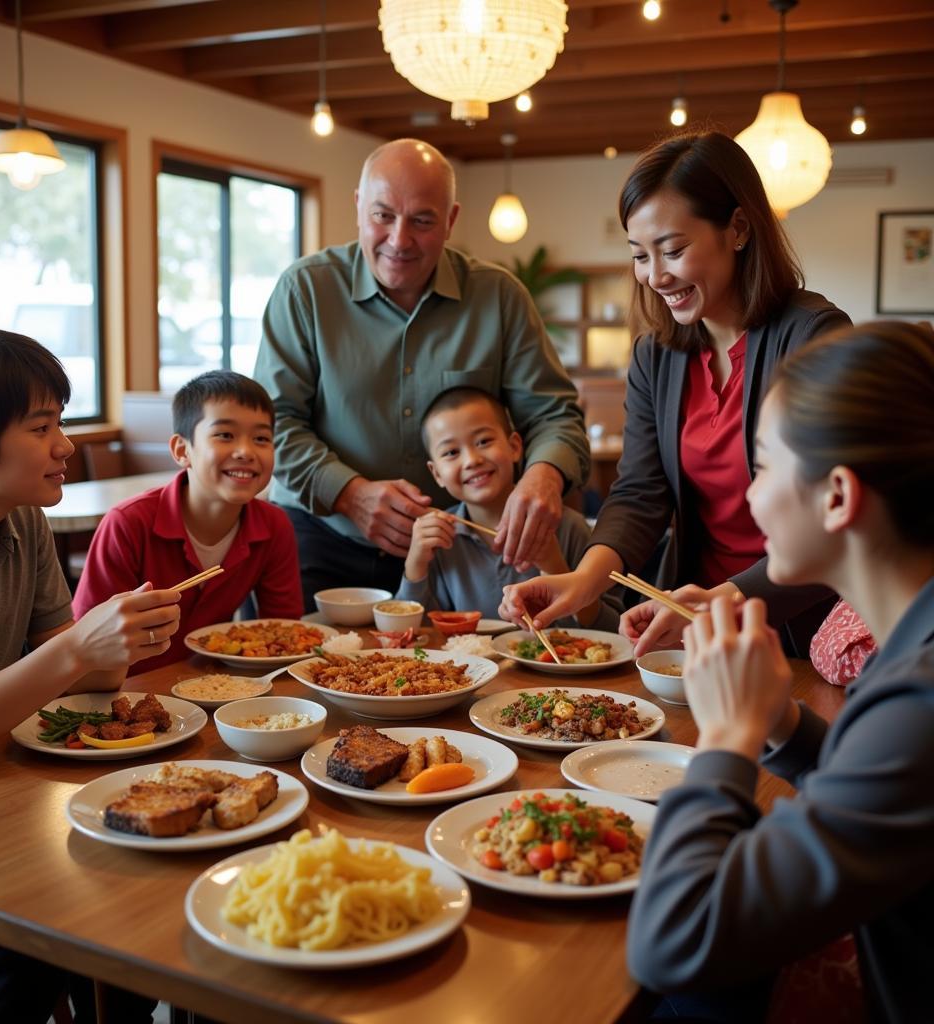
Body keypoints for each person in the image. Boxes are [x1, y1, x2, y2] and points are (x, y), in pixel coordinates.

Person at [626, 321, 934, 1023]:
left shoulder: (918, 700)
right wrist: (782, 724)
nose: (750, 497)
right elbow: (883, 790)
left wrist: (728, 735)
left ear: (836, 497)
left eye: (761, 466)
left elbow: (672, 939)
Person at [0, 325, 181, 1022]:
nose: (66, 445)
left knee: (138, 869)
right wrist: (74, 654)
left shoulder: (21, 520)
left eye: (62, 421)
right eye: (42, 427)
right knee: (33, 935)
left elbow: (79, 688)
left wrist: (119, 645)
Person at [500, 131, 850, 658]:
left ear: (738, 228)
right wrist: (585, 578)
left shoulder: (812, 337)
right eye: (640, 255)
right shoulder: (657, 356)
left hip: (800, 620)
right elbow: (641, 492)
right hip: (691, 622)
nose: (655, 276)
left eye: (674, 250)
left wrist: (727, 600)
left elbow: (835, 517)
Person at [254, 138, 589, 609]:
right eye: (382, 215)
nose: (399, 239)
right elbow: (273, 425)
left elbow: (555, 415)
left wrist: (546, 476)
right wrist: (349, 493)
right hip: (322, 538)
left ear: (451, 220)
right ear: (357, 207)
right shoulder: (306, 290)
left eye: (423, 221)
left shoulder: (499, 297)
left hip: (456, 554)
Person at [73, 370, 301, 672]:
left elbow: (284, 634)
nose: (246, 451)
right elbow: (86, 643)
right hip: (123, 690)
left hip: (210, 684)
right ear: (182, 450)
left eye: (261, 438)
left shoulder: (274, 525)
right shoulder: (127, 523)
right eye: (225, 435)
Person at [395, 387, 619, 628]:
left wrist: (554, 565)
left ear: (514, 447)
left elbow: (612, 631)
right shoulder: (439, 540)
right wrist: (415, 564)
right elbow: (410, 633)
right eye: (451, 452)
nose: (472, 460)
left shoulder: (567, 526)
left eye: (484, 441)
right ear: (436, 473)